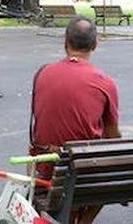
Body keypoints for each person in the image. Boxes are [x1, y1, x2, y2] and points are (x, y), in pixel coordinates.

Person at [30, 16, 120, 224]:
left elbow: (40, 118)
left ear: (65, 43)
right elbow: (112, 135)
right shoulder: (104, 82)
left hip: (47, 166)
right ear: (95, 45)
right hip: (82, 172)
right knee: (107, 175)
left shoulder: (42, 73)